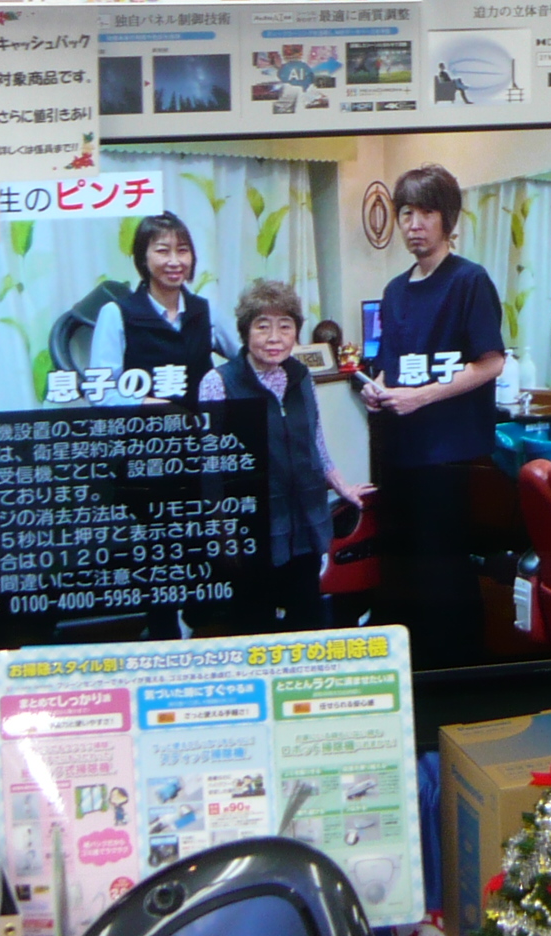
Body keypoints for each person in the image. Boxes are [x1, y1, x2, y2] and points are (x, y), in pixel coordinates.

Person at [359, 163, 503, 668]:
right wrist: (377, 391)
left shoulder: (470, 280)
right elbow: (390, 366)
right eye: (405, 213)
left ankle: (459, 671)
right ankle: (413, 668)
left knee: (445, 568)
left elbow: (491, 363)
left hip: (448, 454)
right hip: (401, 450)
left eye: (425, 213)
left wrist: (421, 397)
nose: (414, 224)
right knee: (405, 566)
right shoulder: (395, 289)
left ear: (447, 219)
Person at [198, 281, 363, 632]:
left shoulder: (301, 377)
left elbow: (316, 443)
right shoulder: (220, 382)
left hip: (303, 518)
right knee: (253, 626)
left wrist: (343, 486)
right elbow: (210, 468)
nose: (274, 338)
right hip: (251, 527)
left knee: (308, 623)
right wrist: (221, 530)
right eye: (263, 326)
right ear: (245, 331)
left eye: (285, 326)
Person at [86, 210, 233, 394]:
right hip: (146, 413)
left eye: (182, 251)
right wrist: (141, 402)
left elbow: (247, 358)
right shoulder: (116, 313)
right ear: (143, 258)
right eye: (163, 251)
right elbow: (100, 392)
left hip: (200, 412)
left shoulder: (206, 310)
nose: (175, 261)